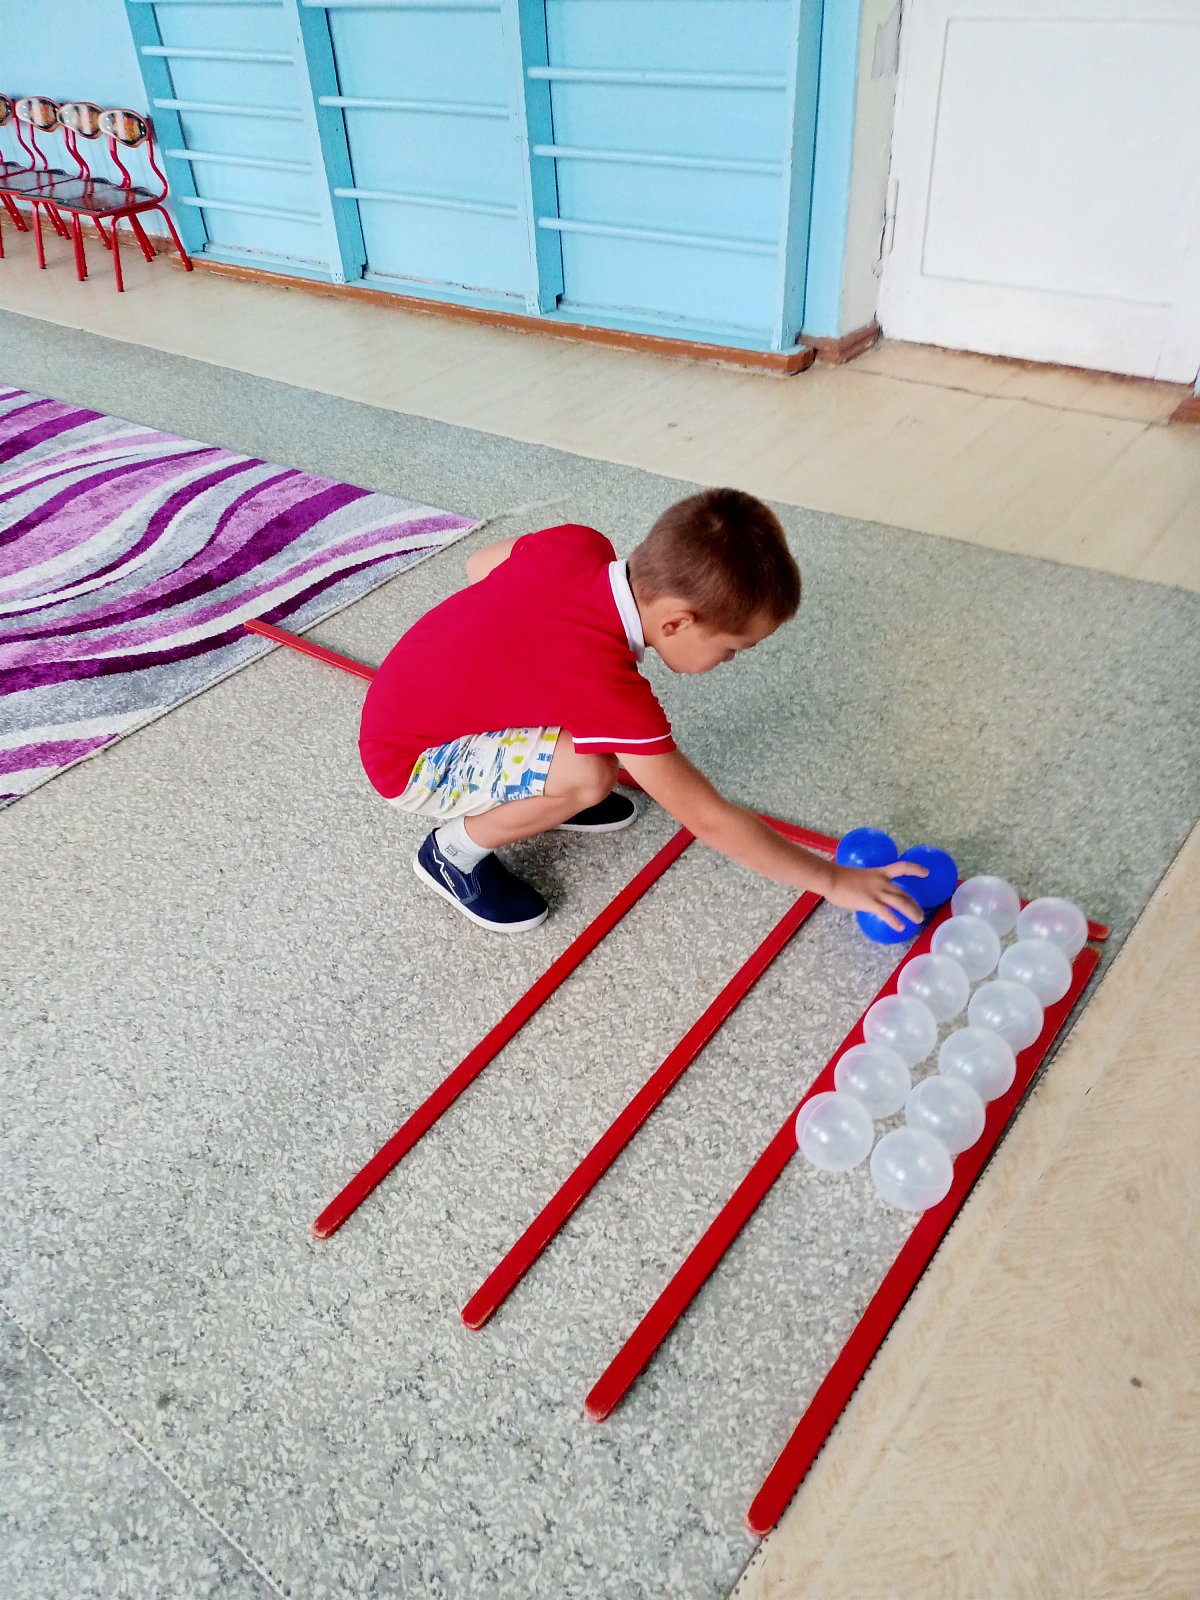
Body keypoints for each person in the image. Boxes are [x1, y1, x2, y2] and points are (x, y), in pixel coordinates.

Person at [360, 488, 924, 933]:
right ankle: (451, 854)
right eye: (732, 648)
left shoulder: (580, 544)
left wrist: (515, 657)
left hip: (403, 703)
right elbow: (708, 818)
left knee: (575, 728)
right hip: (410, 762)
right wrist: (833, 881)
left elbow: (480, 566)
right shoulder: (606, 686)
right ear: (677, 622)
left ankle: (536, 781)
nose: (730, 661)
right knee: (590, 775)